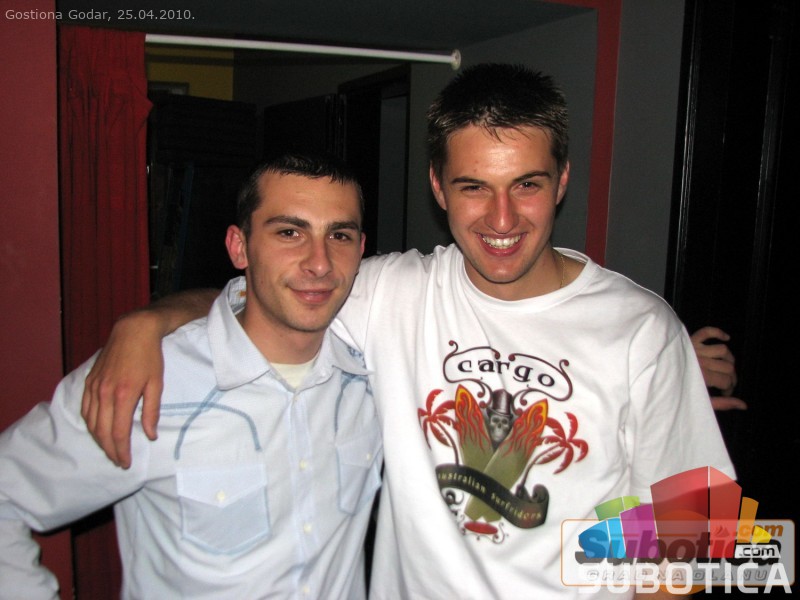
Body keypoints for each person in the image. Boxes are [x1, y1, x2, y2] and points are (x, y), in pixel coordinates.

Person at [82, 64, 735, 598]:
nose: (501, 218)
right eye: (473, 187)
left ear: (561, 181)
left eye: (526, 185)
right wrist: (148, 321)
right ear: (438, 188)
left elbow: (695, 526)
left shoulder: (640, 331)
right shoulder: (394, 293)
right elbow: (272, 296)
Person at [0, 153, 383, 599]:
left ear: (360, 250)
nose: (319, 263)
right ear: (239, 247)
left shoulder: (373, 368)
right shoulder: (149, 383)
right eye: (289, 232)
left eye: (338, 235)